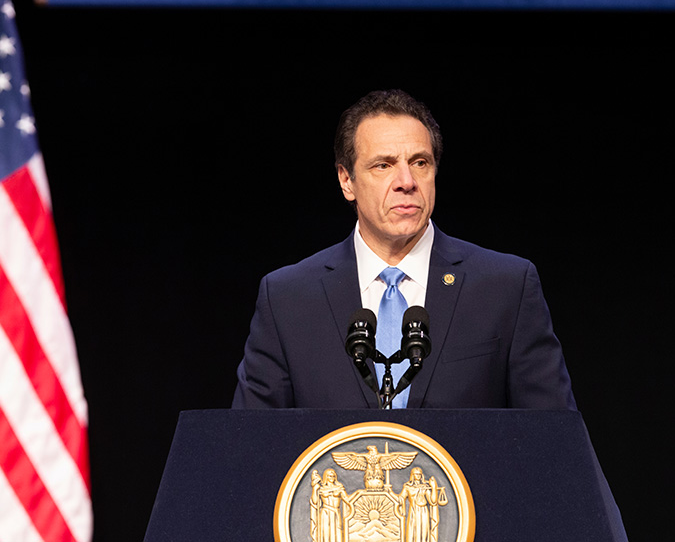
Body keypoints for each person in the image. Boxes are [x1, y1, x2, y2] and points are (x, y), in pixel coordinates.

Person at [232, 89, 576, 410]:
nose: (407, 182)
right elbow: (249, 441)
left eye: (420, 162)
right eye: (383, 165)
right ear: (346, 180)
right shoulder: (287, 299)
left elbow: (555, 437)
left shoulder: (506, 287)